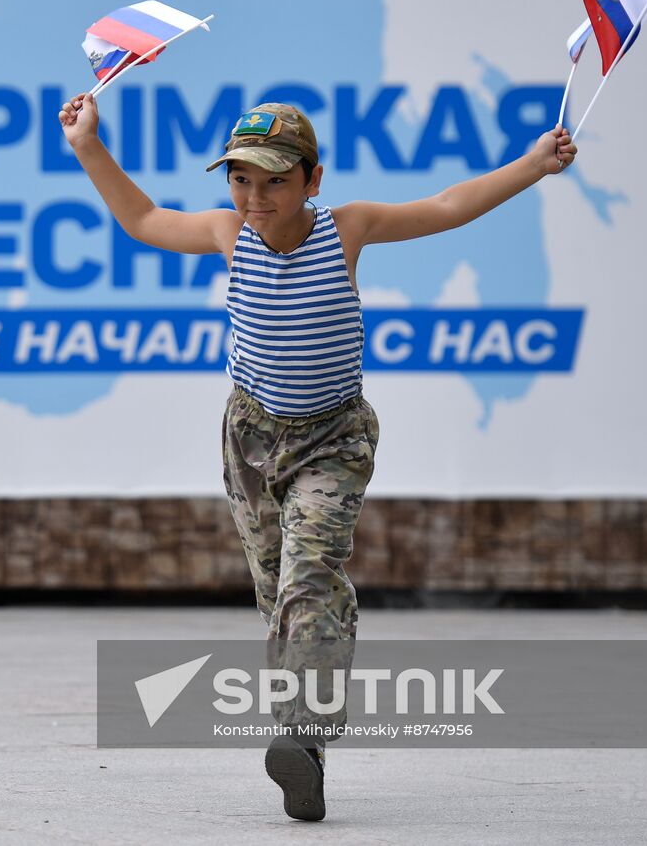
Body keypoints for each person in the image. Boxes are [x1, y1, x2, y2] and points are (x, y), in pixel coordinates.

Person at [59, 94, 576, 822]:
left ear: (312, 180)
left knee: (309, 579)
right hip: (250, 439)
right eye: (241, 179)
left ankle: (301, 728)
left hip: (332, 438)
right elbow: (143, 220)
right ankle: (310, 751)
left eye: (274, 180)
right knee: (281, 600)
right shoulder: (227, 234)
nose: (255, 197)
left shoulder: (347, 230)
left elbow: (450, 205)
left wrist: (532, 165)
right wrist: (88, 147)